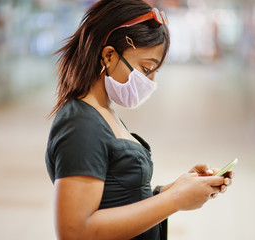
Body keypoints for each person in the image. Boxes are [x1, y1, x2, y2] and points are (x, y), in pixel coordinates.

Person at [45, 0, 234, 239]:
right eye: (146, 69)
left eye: (155, 72)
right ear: (109, 56)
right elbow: (75, 231)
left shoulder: (104, 112)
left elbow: (119, 197)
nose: (151, 83)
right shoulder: (80, 125)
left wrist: (177, 188)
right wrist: (174, 200)